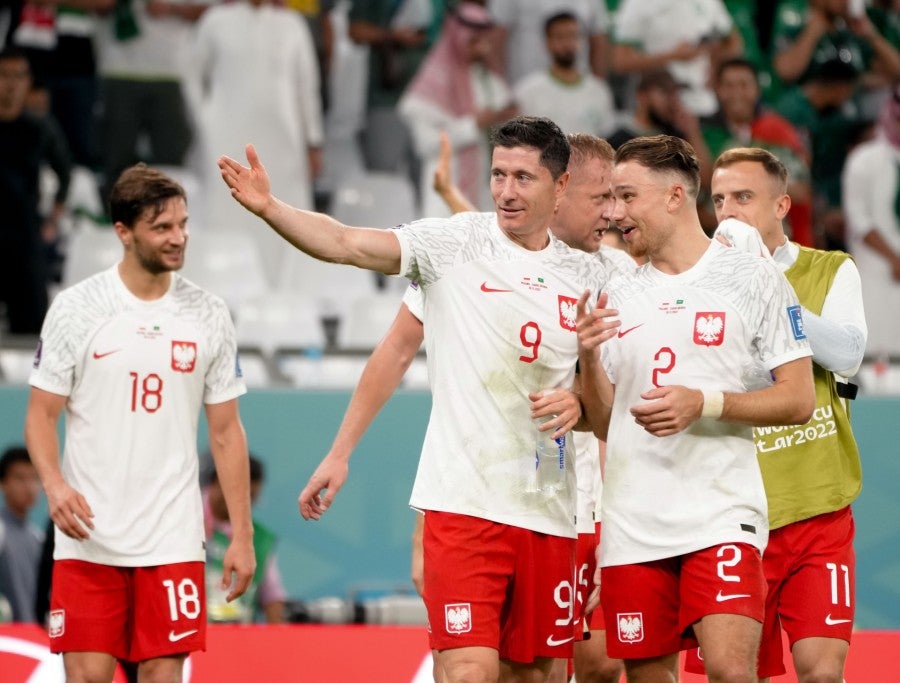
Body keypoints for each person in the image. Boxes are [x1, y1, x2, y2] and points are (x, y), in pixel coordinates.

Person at [220, 115, 611, 681]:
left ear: (561, 185)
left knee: (537, 676)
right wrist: (272, 208)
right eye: (499, 175)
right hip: (462, 507)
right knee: (469, 671)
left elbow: (606, 409)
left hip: (548, 511)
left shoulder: (588, 276)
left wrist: (580, 396)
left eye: (524, 178)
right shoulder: (451, 245)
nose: (506, 191)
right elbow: (345, 243)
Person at [575, 134, 816, 683]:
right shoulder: (617, 293)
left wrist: (704, 402)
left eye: (627, 196)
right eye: (610, 198)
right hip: (633, 524)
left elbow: (799, 399)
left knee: (732, 672)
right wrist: (589, 356)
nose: (614, 213)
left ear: (674, 196)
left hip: (720, 515)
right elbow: (603, 419)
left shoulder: (752, 278)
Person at [24, 163, 255, 683]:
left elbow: (226, 432)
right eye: (162, 227)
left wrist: (241, 535)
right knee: (86, 677)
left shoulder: (209, 314)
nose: (179, 238)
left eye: (183, 224)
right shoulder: (76, 309)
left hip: (171, 536)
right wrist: (55, 487)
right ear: (124, 233)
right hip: (89, 537)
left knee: (161, 677)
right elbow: (40, 416)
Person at [685, 147, 866, 681]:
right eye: (719, 200)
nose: (730, 211)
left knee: (822, 671)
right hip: (733, 515)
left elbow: (848, 352)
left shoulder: (829, 269)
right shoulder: (694, 285)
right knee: (736, 674)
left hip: (816, 508)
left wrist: (766, 281)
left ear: (782, 204)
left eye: (744, 197)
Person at [190, 0, 324, 286]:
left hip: (285, 145)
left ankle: (286, 291)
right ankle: (224, 284)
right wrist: (205, 122)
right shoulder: (215, 20)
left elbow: (307, 87)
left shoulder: (292, 25)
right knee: (228, 210)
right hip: (226, 138)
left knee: (286, 213)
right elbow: (192, 75)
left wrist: (313, 141)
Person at [398, 2, 515, 217]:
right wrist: (473, 125)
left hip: (479, 188)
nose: (482, 48)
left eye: (484, 40)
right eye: (475, 41)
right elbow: (426, 144)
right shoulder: (431, 84)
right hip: (442, 190)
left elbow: (506, 105)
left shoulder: (483, 76)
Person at [701, 57, 814, 247]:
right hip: (719, 251)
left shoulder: (778, 132)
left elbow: (801, 191)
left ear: (757, 90)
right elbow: (699, 201)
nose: (737, 92)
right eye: (729, 85)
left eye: (744, 85)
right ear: (718, 90)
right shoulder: (704, 135)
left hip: (776, 249)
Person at [0, 46, 71, 334]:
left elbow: (64, 174)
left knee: (32, 327)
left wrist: (53, 219)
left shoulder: (41, 128)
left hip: (24, 233)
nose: (12, 84)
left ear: (28, 81)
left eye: (19, 76)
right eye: (4, 75)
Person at [842, 84, 900, 360]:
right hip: (875, 271)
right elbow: (859, 219)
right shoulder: (863, 159)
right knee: (874, 357)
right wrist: (894, 259)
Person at [611, 0, 743, 117]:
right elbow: (621, 62)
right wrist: (673, 56)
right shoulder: (637, 3)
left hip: (705, 101)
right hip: (661, 107)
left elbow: (733, 43)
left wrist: (716, 68)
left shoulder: (709, 2)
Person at [204, 454, 287, 624]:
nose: (246, 505)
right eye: (241, 497)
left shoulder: (260, 538)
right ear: (216, 483)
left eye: (252, 498)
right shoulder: (183, 522)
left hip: (239, 638)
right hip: (188, 636)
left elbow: (272, 597)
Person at [514, 11, 615, 139]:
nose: (568, 44)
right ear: (547, 42)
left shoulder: (598, 90)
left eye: (573, 36)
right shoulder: (527, 91)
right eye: (560, 37)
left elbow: (607, 141)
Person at [489, 0, 611, 85]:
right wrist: (502, 91)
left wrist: (597, 86)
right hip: (524, 91)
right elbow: (494, 42)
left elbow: (598, 41)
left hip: (577, 90)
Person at [0, 446, 44, 623]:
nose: (29, 486)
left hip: (32, 638)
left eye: (34, 478)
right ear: (3, 483)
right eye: (19, 478)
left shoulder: (38, 538)